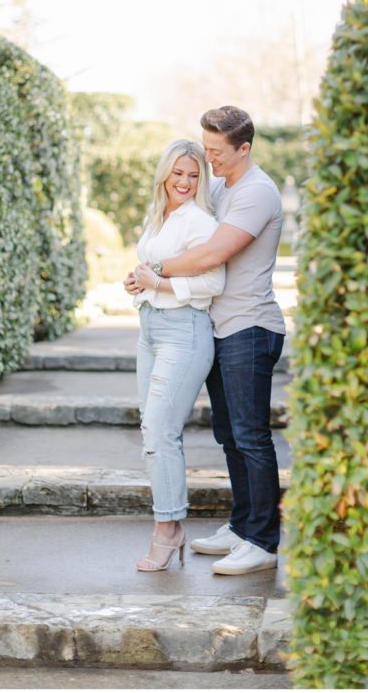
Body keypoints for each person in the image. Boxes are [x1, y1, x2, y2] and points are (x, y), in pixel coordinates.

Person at [127, 106, 286, 576]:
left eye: (216, 151)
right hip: (217, 326)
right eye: (206, 148)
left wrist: (153, 273)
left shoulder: (257, 191)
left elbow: (214, 254)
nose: (208, 158)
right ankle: (241, 527)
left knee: (251, 436)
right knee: (228, 435)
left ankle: (262, 540)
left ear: (244, 149)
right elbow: (185, 210)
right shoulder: (220, 183)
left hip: (249, 326)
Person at [129, 139, 225, 572]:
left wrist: (157, 284)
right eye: (178, 173)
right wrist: (138, 282)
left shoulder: (200, 222)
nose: (184, 182)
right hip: (149, 328)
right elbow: (150, 270)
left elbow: (212, 283)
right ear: (164, 174)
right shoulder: (158, 217)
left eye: (193, 175)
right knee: (151, 430)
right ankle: (170, 527)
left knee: (159, 430)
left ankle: (167, 530)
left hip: (184, 331)